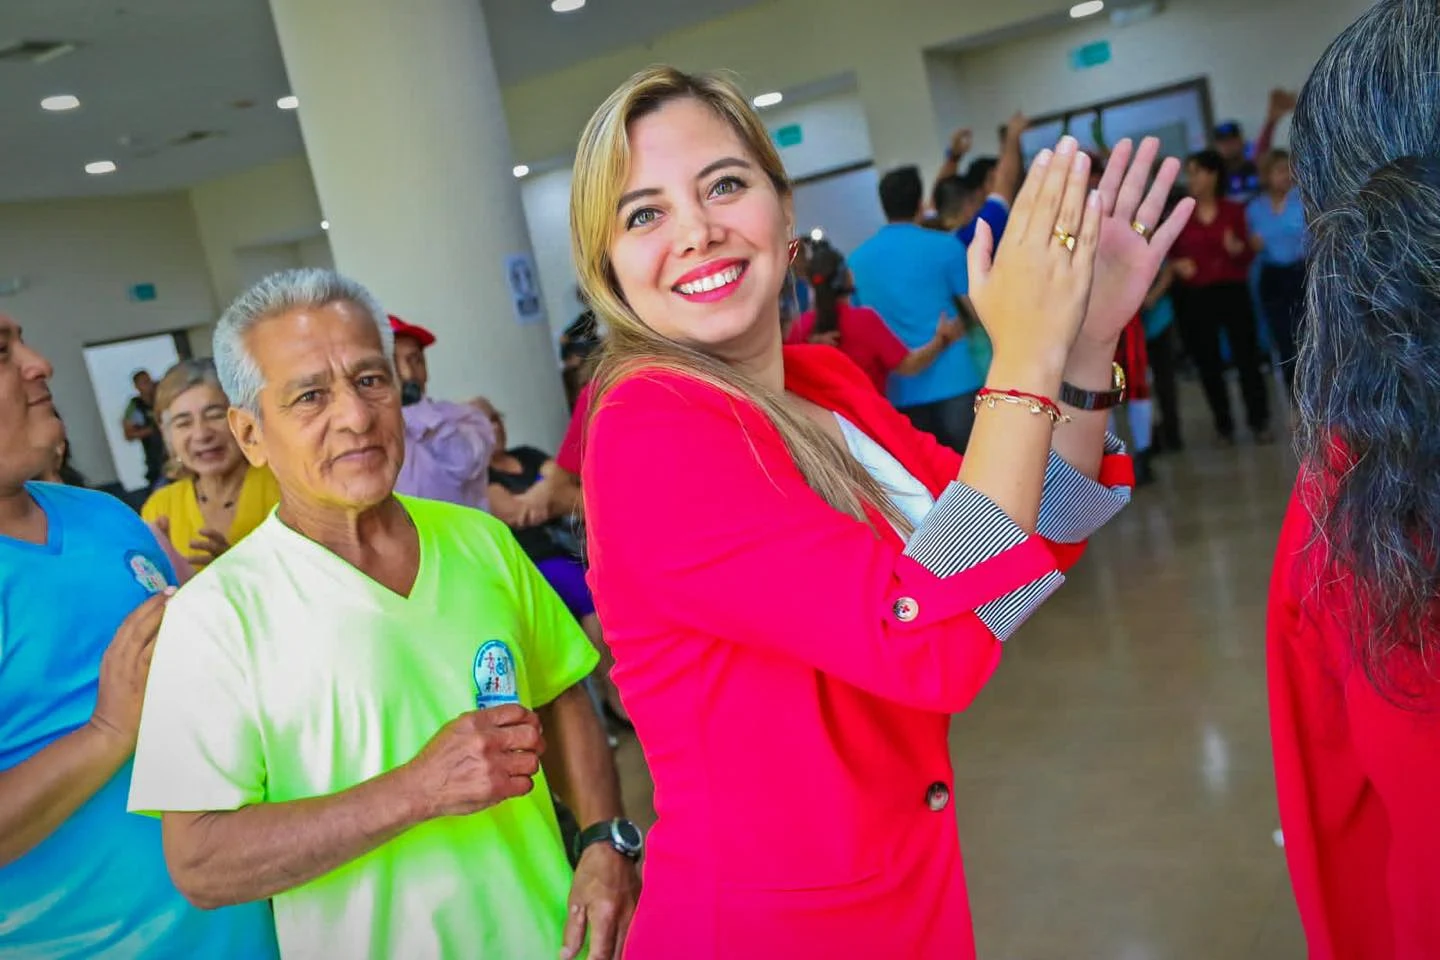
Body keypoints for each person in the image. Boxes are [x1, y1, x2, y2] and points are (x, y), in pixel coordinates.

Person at [569, 65, 1192, 958]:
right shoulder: (649, 432)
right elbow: (932, 642)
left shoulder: (819, 383)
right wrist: (1022, 354)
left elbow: (1017, 552)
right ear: (610, 270)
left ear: (785, 219)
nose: (699, 232)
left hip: (893, 896)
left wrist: (1085, 345)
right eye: (645, 214)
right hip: (767, 928)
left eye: (725, 185)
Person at [126, 269, 641, 960]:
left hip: (556, 939)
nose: (356, 416)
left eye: (370, 381)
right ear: (251, 434)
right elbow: (201, 862)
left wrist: (604, 840)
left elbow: (561, 692)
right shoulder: (216, 617)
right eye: (310, 395)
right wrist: (417, 790)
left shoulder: (478, 539)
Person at [0, 313, 277, 958]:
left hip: (252, 926)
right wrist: (108, 731)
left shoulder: (103, 515)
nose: (40, 363)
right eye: (0, 352)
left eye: (21, 339)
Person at [1269, 1, 1440, 956]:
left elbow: (968, 587)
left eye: (729, 187)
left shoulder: (1343, 497)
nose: (715, 235)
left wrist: (1063, 376)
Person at [477, 395, 628, 728]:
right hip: (535, 562)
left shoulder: (526, 453)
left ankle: (619, 686)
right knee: (586, 593)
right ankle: (614, 694)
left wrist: (547, 496)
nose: (494, 428)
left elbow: (577, 492)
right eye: (484, 422)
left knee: (614, 581)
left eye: (496, 418)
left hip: (573, 548)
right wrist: (548, 492)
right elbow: (516, 514)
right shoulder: (481, 478)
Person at [848, 165, 982, 452]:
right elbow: (978, 310)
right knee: (978, 473)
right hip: (957, 377)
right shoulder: (946, 246)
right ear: (921, 203)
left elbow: (859, 327)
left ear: (883, 206)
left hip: (900, 389)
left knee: (930, 485)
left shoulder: (857, 262)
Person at [1170, 148, 1273, 444]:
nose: (1192, 178)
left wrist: (1240, 251)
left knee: (1247, 358)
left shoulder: (1233, 211)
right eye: (1189, 172)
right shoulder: (1182, 215)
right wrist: (1177, 265)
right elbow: (1170, 254)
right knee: (1208, 362)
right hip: (1197, 295)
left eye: (1197, 171)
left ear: (1213, 175)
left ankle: (1259, 420)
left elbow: (1247, 254)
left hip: (1232, 290)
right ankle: (1224, 425)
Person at [141, 358, 280, 568]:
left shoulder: (286, 486)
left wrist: (238, 570)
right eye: (183, 423)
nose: (201, 434)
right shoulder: (160, 508)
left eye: (215, 415)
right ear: (168, 435)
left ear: (243, 420)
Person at [784, 241, 962, 394]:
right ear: (847, 276)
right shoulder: (864, 321)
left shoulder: (801, 327)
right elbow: (908, 365)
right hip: (867, 425)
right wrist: (941, 340)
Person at [389, 313, 496, 511]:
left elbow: (464, 463)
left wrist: (416, 410)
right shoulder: (371, 439)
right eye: (393, 363)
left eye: (415, 360)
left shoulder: (464, 418)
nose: (408, 374)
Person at [1246, 148, 1307, 397]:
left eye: (1288, 169)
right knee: (1284, 344)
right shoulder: (1255, 208)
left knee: (1311, 340)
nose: (1286, 175)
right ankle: (1295, 402)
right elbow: (1252, 244)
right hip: (1272, 277)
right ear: (1267, 175)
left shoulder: (1303, 201)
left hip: (1301, 274)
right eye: (1280, 170)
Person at [122, 368, 167, 488]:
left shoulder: (162, 398)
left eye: (149, 381)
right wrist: (152, 430)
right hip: (155, 459)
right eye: (144, 382)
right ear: (137, 387)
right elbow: (128, 434)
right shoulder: (136, 406)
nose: (149, 385)